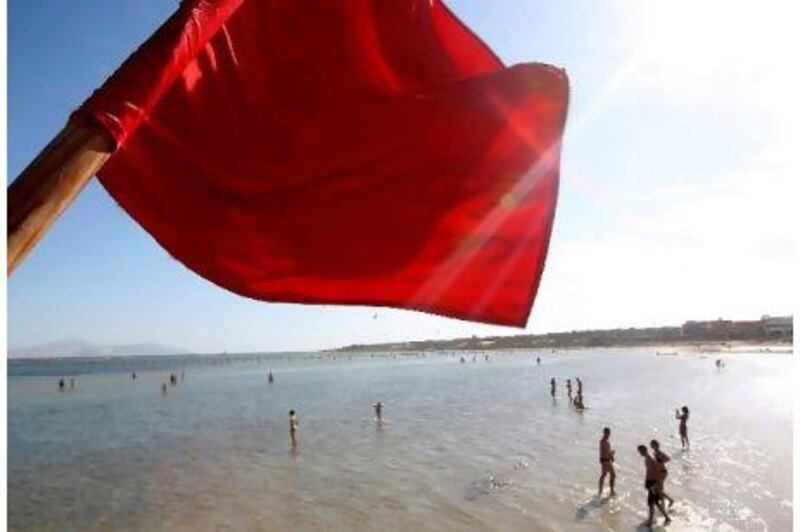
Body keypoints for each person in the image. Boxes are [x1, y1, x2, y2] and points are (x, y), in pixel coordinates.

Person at [638, 445, 671, 527]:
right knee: (654, 502)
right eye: (639, 451)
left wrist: (657, 483)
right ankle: (666, 517)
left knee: (652, 502)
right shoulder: (647, 458)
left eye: (640, 451)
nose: (639, 453)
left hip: (652, 483)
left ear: (644, 450)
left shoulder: (650, 458)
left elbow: (657, 471)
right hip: (650, 483)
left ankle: (651, 521)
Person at [650, 440, 674, 507]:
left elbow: (668, 459)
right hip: (658, 473)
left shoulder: (659, 453)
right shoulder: (654, 453)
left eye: (652, 445)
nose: (651, 446)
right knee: (659, 489)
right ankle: (663, 503)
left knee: (658, 489)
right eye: (651, 445)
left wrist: (660, 461)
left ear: (656, 446)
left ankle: (670, 500)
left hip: (662, 472)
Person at [598, 427, 616, 497]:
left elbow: (606, 452)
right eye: (607, 433)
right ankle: (612, 491)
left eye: (609, 433)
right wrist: (612, 453)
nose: (608, 434)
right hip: (605, 460)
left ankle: (600, 491)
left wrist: (612, 457)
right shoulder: (604, 441)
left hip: (605, 460)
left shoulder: (604, 441)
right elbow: (606, 452)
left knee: (604, 475)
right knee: (613, 475)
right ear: (604, 433)